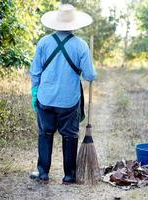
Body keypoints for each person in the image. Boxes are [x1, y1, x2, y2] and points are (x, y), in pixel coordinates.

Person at [29, 4, 97, 184]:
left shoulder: (44, 42)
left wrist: (35, 93)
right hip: (69, 101)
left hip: (46, 98)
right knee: (70, 135)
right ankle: (69, 175)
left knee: (45, 134)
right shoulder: (81, 45)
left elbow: (35, 71)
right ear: (74, 24)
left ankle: (42, 172)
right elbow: (90, 75)